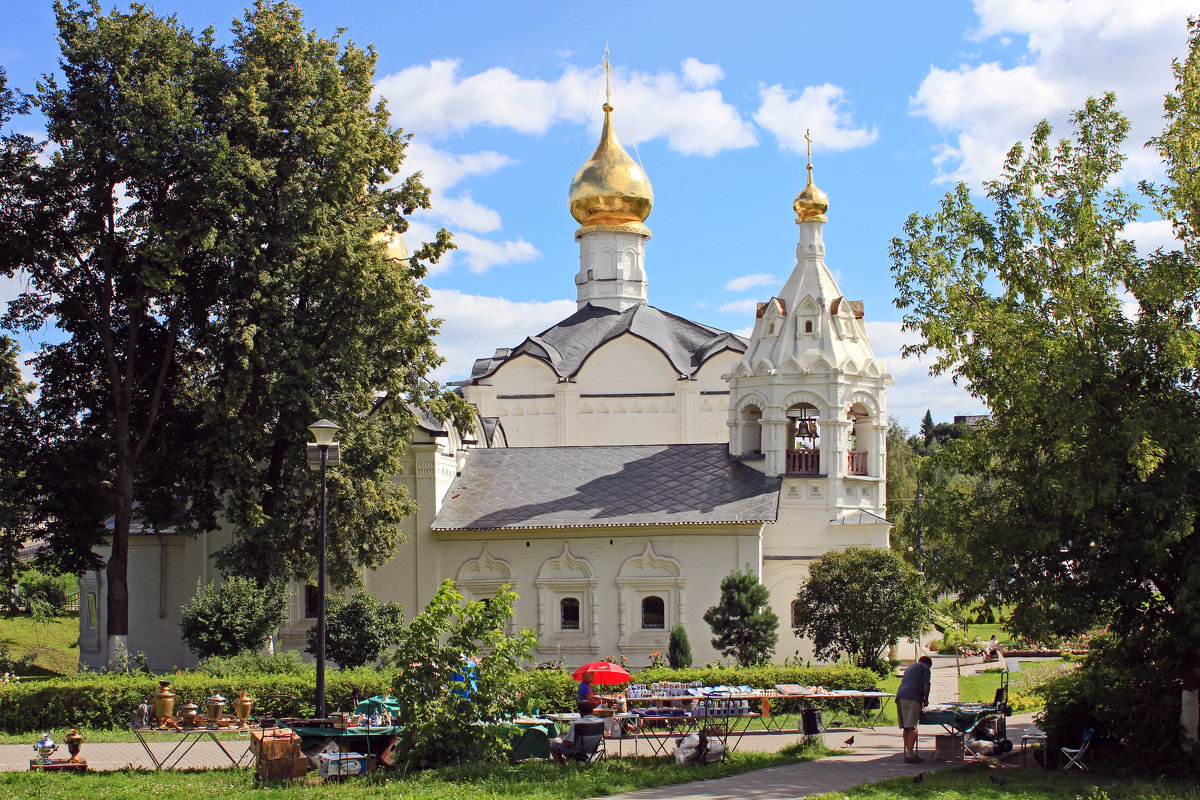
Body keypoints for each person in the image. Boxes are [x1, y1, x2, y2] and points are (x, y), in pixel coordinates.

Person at [896, 655, 932, 763]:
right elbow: (926, 685)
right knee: (912, 727)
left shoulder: (910, 667)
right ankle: (910, 755)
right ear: (928, 664)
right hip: (913, 698)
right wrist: (926, 699)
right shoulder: (925, 668)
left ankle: (909, 753)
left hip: (900, 696)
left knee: (906, 727)